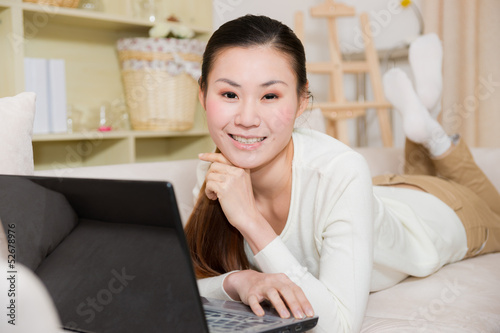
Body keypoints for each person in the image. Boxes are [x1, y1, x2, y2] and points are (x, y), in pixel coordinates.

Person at [184, 15, 500, 333]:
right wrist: (241, 281)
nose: (247, 119)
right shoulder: (216, 168)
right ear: (203, 96)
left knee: (496, 212)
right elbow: (181, 282)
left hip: (441, 213)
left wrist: (251, 221)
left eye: (270, 96)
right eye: (229, 95)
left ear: (302, 100)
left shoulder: (340, 170)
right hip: (380, 193)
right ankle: (425, 118)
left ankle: (433, 133)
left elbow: (338, 326)